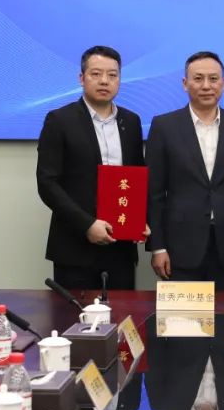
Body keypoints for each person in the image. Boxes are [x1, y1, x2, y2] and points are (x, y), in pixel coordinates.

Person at [36, 45, 147, 290]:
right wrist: (86, 224)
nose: (104, 81)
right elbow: (47, 183)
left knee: (122, 312)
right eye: (96, 74)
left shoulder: (131, 121)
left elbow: (136, 177)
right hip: (75, 246)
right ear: (82, 78)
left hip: (121, 247)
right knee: (73, 314)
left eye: (112, 75)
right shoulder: (59, 120)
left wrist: (140, 220)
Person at [146, 51, 224, 291]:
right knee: (184, 315)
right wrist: (158, 247)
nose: (206, 86)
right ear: (185, 83)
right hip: (179, 247)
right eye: (198, 78)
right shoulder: (164, 126)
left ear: (223, 84)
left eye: (213, 79)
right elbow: (154, 193)